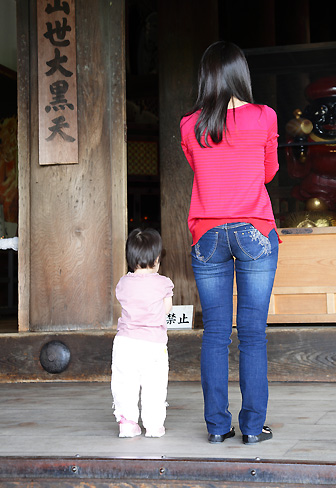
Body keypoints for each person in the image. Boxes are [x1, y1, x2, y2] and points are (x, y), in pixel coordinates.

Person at [180, 41, 279, 445]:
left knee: (216, 334)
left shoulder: (190, 125)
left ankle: (218, 427)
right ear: (241, 74)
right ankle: (253, 428)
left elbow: (200, 169)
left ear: (206, 76)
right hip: (254, 228)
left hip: (207, 234)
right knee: (252, 335)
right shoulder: (264, 116)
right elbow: (268, 172)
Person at [111, 227, 174, 438]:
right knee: (154, 385)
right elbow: (166, 309)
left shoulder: (123, 283)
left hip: (125, 343)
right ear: (156, 259)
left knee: (125, 384)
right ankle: (154, 426)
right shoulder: (163, 283)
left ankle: (127, 425)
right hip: (153, 344)